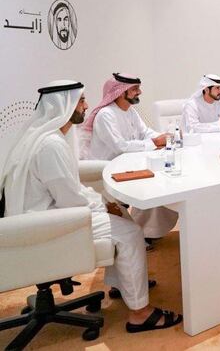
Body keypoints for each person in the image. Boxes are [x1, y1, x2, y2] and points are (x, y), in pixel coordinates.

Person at [0, 80, 182, 332]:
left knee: (123, 217)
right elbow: (70, 198)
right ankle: (140, 313)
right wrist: (103, 205)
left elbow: (69, 186)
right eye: (81, 100)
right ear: (65, 106)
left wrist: (105, 203)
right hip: (48, 224)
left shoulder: (47, 136)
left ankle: (123, 285)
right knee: (130, 232)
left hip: (46, 213)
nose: (86, 105)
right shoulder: (50, 145)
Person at [84, 73, 178, 240]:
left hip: (128, 163)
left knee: (160, 175)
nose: (139, 92)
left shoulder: (130, 111)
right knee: (151, 180)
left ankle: (150, 230)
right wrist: (156, 142)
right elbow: (121, 146)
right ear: (121, 92)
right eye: (135, 89)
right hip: (108, 168)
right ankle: (142, 232)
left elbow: (145, 133)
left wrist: (166, 136)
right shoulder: (106, 115)